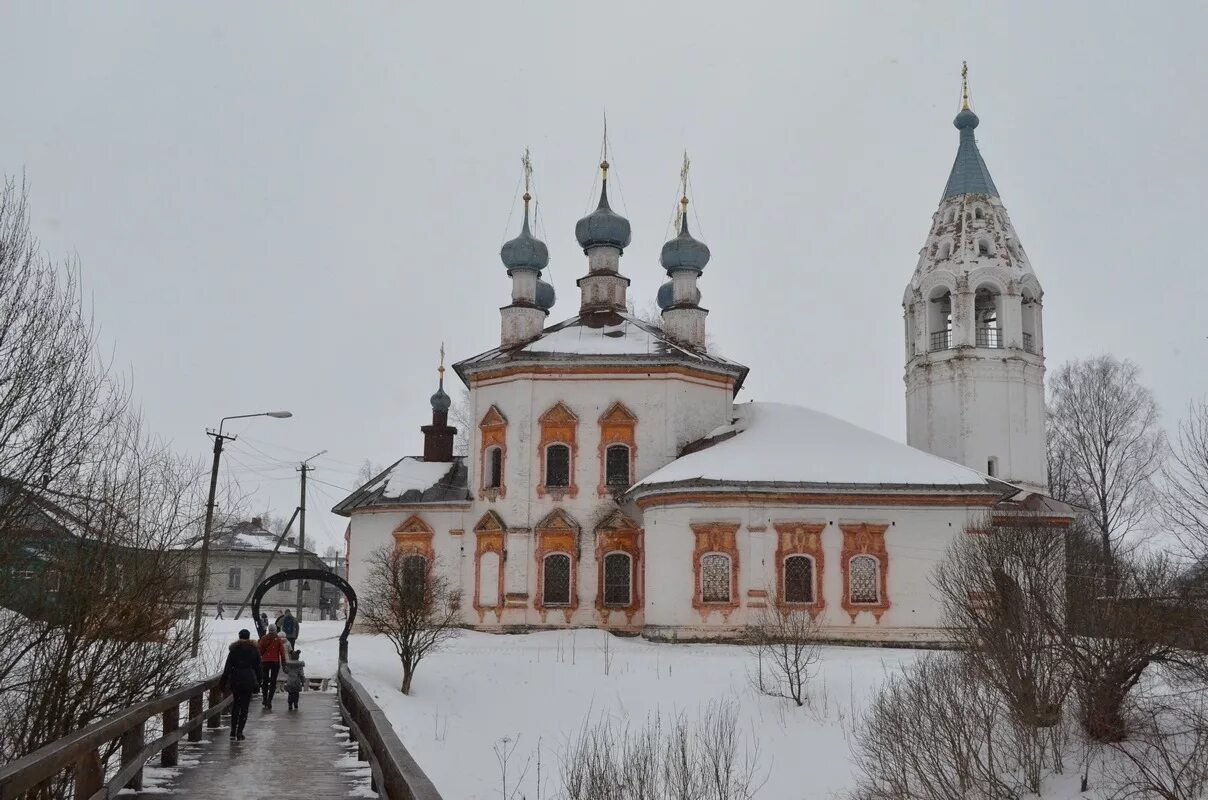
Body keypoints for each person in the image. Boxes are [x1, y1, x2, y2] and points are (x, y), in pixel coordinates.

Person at [219, 629, 261, 741]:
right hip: (248, 680)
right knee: (245, 707)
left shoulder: (234, 650)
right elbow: (258, 668)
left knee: (236, 705)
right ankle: (240, 732)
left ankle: (232, 731)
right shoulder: (254, 650)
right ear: (248, 637)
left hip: (236, 679)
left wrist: (222, 683)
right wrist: (258, 683)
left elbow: (227, 668)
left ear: (239, 636)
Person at [257, 624, 287, 709]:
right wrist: (284, 663)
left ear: (268, 630)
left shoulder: (264, 638)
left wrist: (262, 656)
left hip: (265, 661)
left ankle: (264, 698)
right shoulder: (278, 639)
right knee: (273, 681)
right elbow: (282, 652)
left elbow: (260, 650)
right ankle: (269, 700)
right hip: (275, 662)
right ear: (275, 630)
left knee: (265, 680)